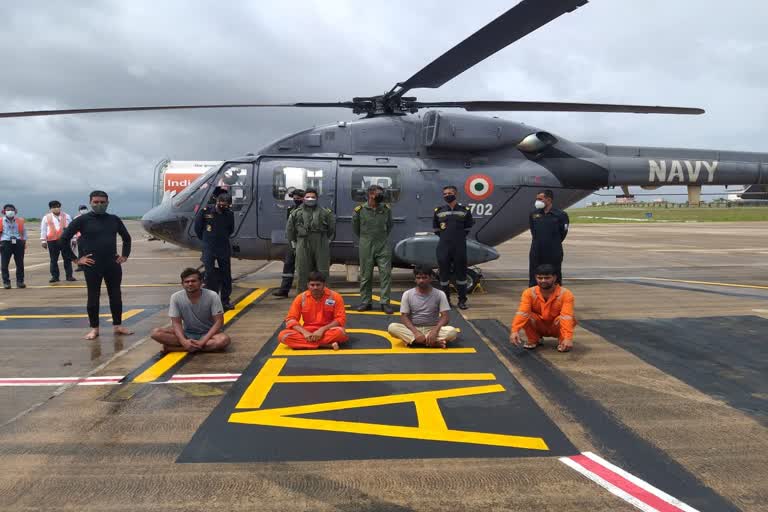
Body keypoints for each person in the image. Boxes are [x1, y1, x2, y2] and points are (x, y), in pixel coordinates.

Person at [60, 190, 133, 340]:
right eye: (96, 202)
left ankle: (118, 325)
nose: (99, 205)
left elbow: (126, 238)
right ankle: (94, 329)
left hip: (112, 264)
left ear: (107, 203)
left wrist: (124, 255)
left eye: (102, 202)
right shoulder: (82, 220)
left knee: (116, 295)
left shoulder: (114, 219)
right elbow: (64, 239)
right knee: (93, 297)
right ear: (91, 203)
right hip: (92, 265)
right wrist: (76, 259)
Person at [150, 268, 231, 352]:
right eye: (187, 282)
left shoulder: (212, 296)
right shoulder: (176, 297)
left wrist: (202, 341)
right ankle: (191, 346)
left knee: (223, 340)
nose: (190, 284)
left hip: (209, 334)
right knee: (156, 333)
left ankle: (177, 348)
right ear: (182, 284)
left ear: (201, 282)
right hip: (187, 333)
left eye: (193, 281)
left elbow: (219, 322)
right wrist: (183, 341)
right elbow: (176, 323)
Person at [510, 264, 575, 353]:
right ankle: (534, 339)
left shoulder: (566, 294)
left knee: (568, 318)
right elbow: (522, 312)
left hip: (555, 326)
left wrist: (568, 337)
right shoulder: (529, 293)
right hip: (538, 325)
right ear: (535, 278)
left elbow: (566, 316)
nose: (543, 281)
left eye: (547, 278)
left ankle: (563, 340)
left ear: (554, 278)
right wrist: (515, 331)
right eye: (540, 278)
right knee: (526, 315)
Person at [387, 266, 458, 348]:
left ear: (430, 278)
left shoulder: (440, 294)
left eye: (424, 278)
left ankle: (415, 341)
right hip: (413, 328)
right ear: (415, 279)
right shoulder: (407, 294)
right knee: (392, 327)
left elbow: (445, 317)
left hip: (433, 328)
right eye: (418, 278)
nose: (421, 280)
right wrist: (416, 332)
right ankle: (432, 343)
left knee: (452, 332)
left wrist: (435, 331)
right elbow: (404, 317)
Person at [277, 271, 348, 350]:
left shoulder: (335, 297)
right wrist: (305, 333)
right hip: (307, 331)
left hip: (328, 330)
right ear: (308, 285)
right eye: (312, 285)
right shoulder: (301, 298)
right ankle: (326, 345)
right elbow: (291, 319)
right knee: (283, 336)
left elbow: (340, 319)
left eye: (318, 285)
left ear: (324, 285)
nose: (315, 287)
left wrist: (322, 330)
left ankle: (306, 344)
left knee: (340, 333)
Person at [352, 184, 394, 313]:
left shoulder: (386, 209)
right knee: (365, 275)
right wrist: (366, 239)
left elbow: (389, 226)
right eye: (378, 193)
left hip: (383, 244)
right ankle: (366, 302)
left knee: (386, 274)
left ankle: (385, 303)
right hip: (366, 244)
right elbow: (356, 229)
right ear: (370, 194)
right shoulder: (359, 210)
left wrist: (381, 238)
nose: (381, 196)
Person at [286, 188, 335, 292]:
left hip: (321, 242)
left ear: (317, 198)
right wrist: (295, 246)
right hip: (302, 243)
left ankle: (325, 299)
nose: (310, 199)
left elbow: (331, 230)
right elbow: (290, 232)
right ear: (303, 198)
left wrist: (326, 242)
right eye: (308, 197)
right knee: (302, 271)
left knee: (323, 271)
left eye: (313, 197)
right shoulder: (295, 213)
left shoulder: (325, 212)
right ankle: (302, 299)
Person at [433, 185, 474, 310]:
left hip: (459, 247)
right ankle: (446, 301)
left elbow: (467, 228)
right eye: (445, 194)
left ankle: (462, 301)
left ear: (456, 194)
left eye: (449, 193)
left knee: (461, 276)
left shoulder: (465, 210)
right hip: (444, 247)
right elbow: (436, 230)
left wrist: (457, 238)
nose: (447, 195)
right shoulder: (438, 211)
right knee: (443, 276)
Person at [194, 192, 235, 310]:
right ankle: (211, 301)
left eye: (226, 205)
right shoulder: (205, 211)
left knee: (226, 275)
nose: (223, 207)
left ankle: (225, 301)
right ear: (217, 202)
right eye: (222, 204)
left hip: (223, 247)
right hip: (209, 247)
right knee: (209, 274)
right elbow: (198, 228)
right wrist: (207, 240)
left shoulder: (229, 214)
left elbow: (230, 229)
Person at [528, 189, 569, 286]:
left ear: (549, 200)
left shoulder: (561, 215)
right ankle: (534, 295)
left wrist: (553, 242)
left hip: (553, 250)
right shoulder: (534, 214)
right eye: (537, 199)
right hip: (537, 249)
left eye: (540, 199)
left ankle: (556, 296)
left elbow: (563, 232)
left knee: (555, 273)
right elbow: (533, 231)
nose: (537, 201)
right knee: (534, 272)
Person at [273, 188, 305, 297]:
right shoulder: (291, 209)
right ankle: (284, 289)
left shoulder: (308, 209)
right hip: (293, 241)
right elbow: (289, 226)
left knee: (305, 265)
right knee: (288, 264)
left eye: (299, 198)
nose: (296, 199)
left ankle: (304, 290)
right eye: (295, 198)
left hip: (304, 241)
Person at [40, 200, 75, 283]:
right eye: (54, 207)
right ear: (50, 208)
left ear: (60, 207)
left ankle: (69, 276)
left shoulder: (67, 216)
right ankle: (55, 277)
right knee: (53, 259)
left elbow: (72, 228)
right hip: (52, 240)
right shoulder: (46, 217)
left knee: (67, 258)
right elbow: (43, 229)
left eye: (57, 206)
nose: (56, 208)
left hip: (65, 240)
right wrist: (43, 241)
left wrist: (74, 238)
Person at [0, 204, 27, 289]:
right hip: (5, 242)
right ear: (4, 211)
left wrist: (24, 242)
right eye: (8, 210)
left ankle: (20, 282)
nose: (10, 211)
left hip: (18, 242)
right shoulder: (1, 221)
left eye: (11, 209)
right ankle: (6, 282)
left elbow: (24, 232)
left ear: (15, 211)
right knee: (4, 264)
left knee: (20, 264)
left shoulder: (20, 221)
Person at [73, 204, 89, 272]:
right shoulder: (76, 218)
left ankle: (89, 265)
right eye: (82, 209)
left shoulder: (91, 217)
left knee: (89, 251)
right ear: (79, 210)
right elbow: (73, 229)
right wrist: (74, 238)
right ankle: (80, 266)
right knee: (81, 252)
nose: (83, 210)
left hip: (90, 237)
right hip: (80, 237)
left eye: (84, 208)